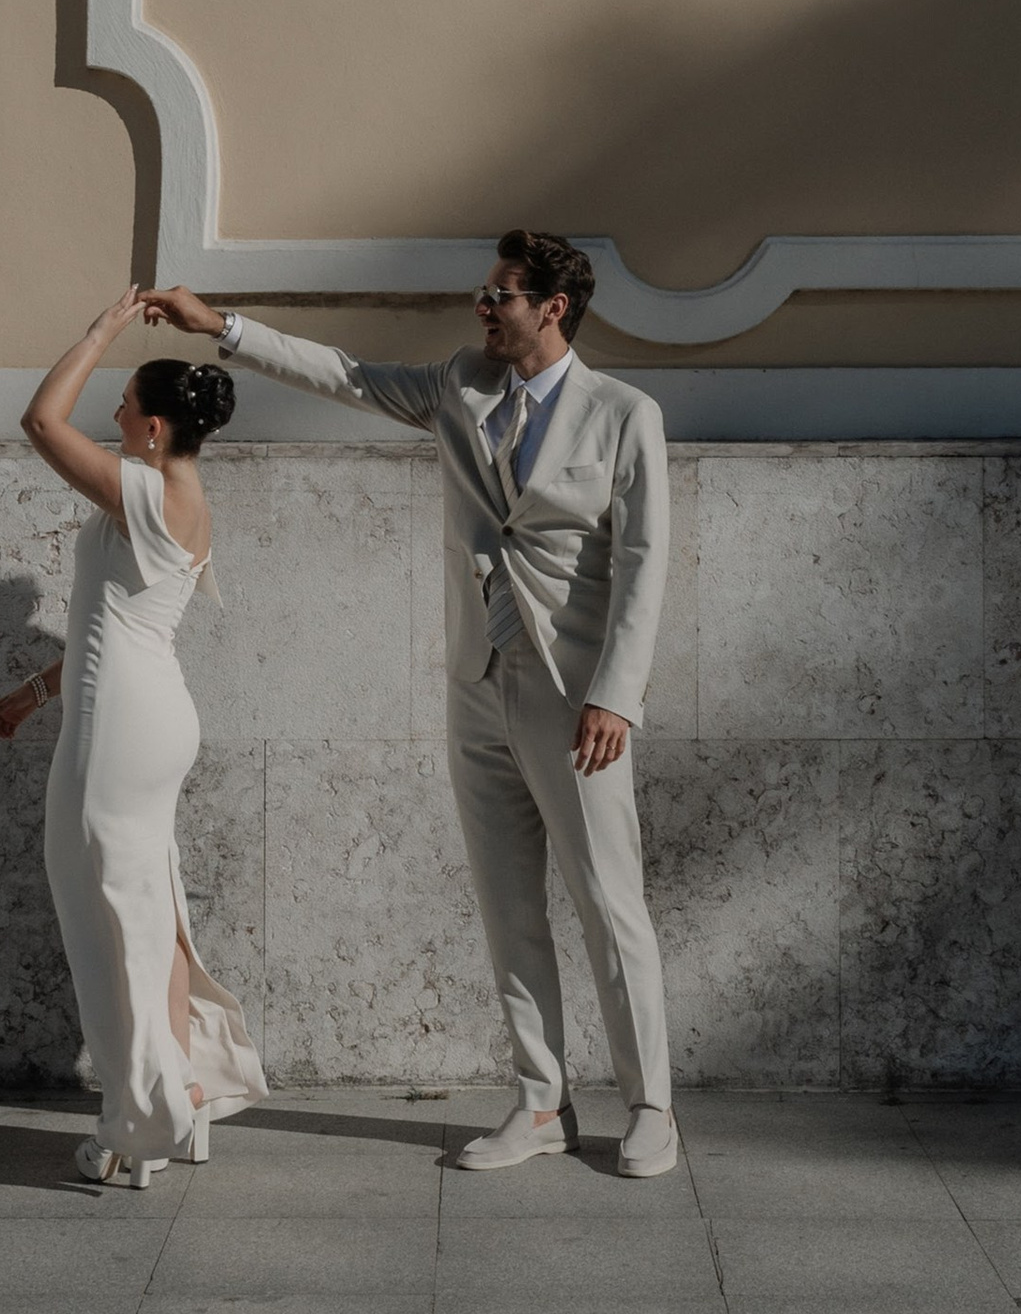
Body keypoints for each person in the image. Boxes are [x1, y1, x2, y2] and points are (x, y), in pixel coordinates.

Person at [148, 235, 676, 1178]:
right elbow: (345, 375)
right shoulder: (460, 387)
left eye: (501, 295)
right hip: (478, 683)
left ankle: (650, 1106)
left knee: (609, 903)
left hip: (575, 698)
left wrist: (616, 697)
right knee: (508, 907)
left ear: (553, 307)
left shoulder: (625, 415)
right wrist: (220, 326)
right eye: (485, 293)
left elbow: (643, 568)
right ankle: (542, 1103)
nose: (483, 308)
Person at [0, 290, 268, 1190]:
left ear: (151, 429)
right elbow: (114, 622)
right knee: (148, 909)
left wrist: (101, 329)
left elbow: (39, 419)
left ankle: (131, 1121)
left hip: (122, 724)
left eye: (122, 406)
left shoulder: (146, 491)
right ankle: (176, 1085)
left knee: (101, 912)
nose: (109, 415)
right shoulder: (179, 495)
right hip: (142, 712)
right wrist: (33, 694)